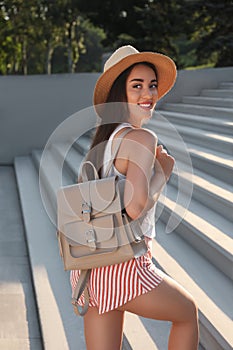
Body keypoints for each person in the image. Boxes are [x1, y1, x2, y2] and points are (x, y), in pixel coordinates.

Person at [70, 45, 199, 350]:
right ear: (119, 93)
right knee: (186, 314)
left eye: (152, 85)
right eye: (137, 85)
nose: (148, 93)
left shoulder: (106, 140)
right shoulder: (141, 138)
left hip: (91, 266)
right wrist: (164, 171)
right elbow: (135, 206)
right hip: (125, 265)